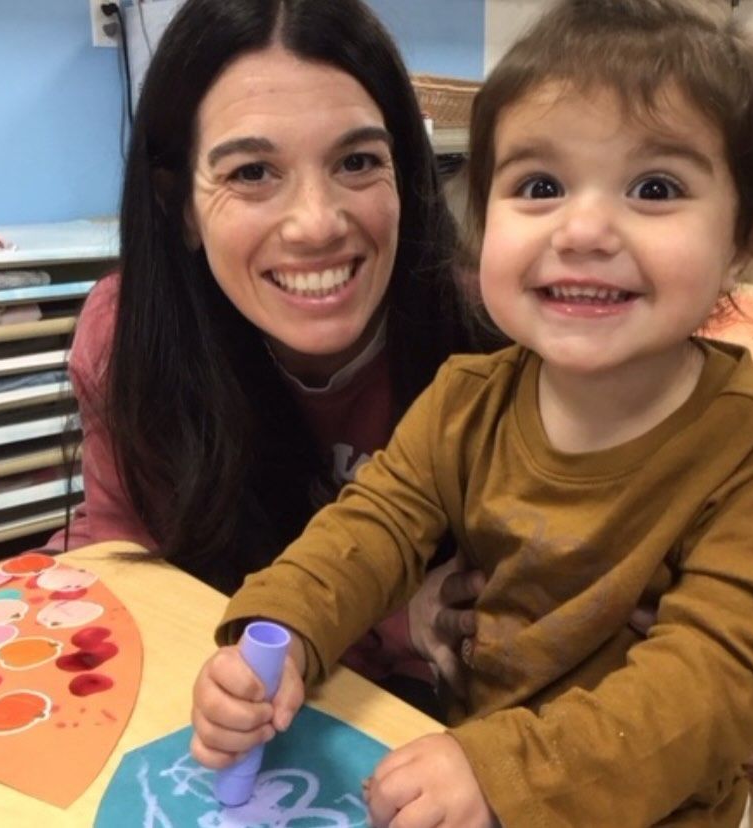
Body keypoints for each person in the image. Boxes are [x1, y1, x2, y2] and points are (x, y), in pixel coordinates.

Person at [190, 1, 753, 825]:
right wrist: (282, 627)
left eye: (654, 188)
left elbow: (711, 687)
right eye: (539, 186)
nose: (582, 229)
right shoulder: (466, 398)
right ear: (483, 218)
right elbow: (364, 531)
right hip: (461, 772)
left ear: (742, 234)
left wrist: (503, 774)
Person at [46, 0, 492, 713]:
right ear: (180, 206)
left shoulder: (493, 341)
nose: (316, 223)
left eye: (357, 161)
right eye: (253, 172)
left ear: (406, 177)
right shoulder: (129, 336)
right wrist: (394, 622)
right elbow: (145, 595)